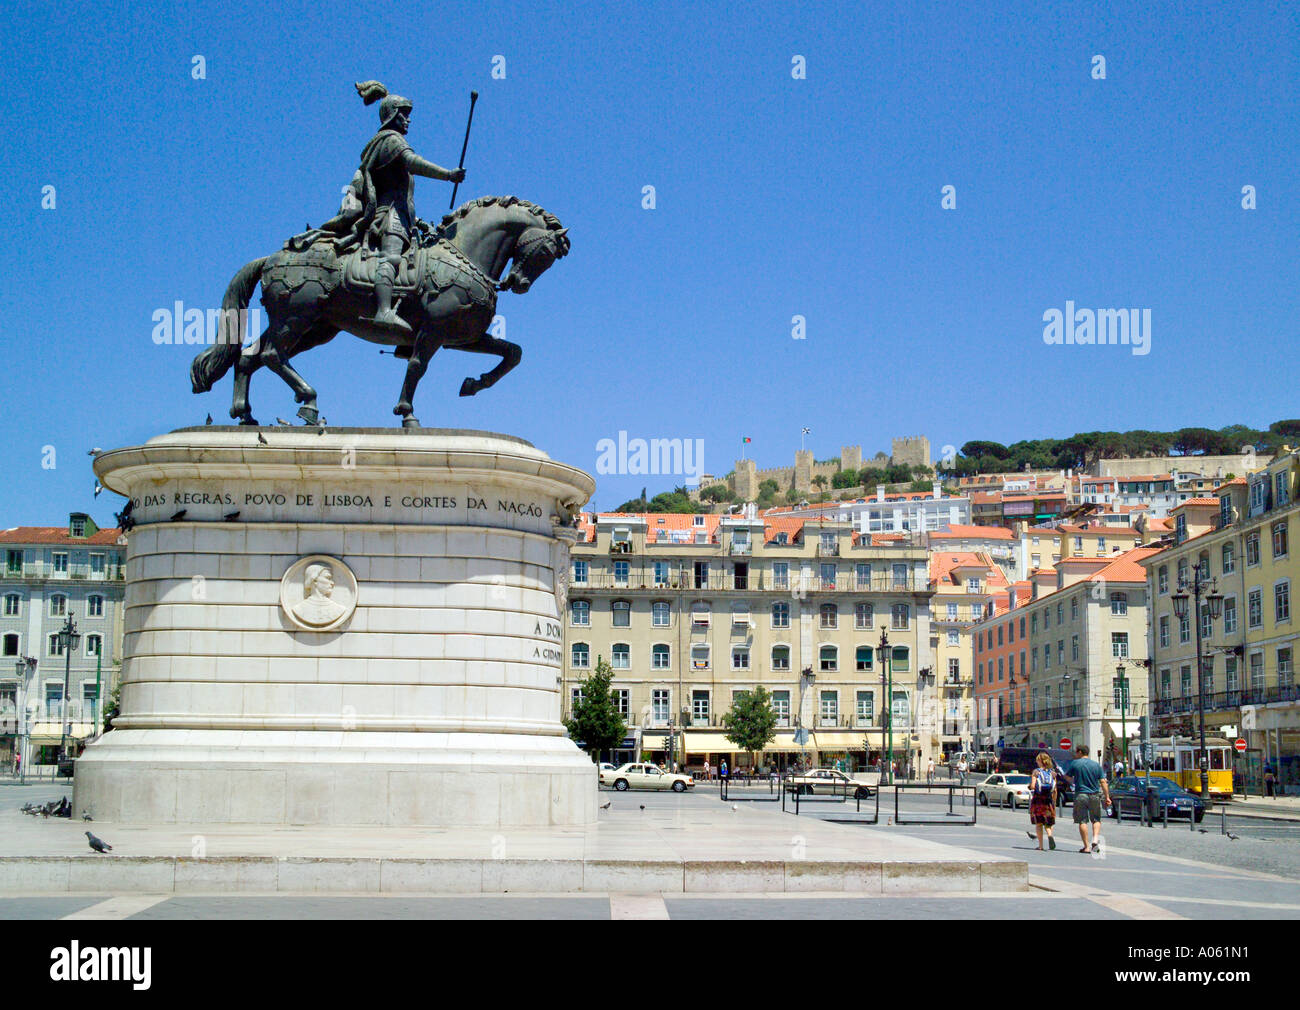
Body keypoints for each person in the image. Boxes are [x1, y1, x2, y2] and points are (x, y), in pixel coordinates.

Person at [1064, 744, 1110, 853]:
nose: (1075, 754)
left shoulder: (1075, 763)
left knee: (1082, 821)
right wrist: (1107, 796)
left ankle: (1087, 847)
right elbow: (1103, 782)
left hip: (1081, 794)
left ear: (1080, 752)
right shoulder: (1096, 765)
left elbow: (1067, 776)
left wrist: (1074, 782)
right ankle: (1095, 840)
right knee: (1096, 819)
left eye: (1076, 752)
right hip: (1094, 794)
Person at [1025, 752, 1058, 850]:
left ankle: (1041, 846)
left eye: (1037, 760)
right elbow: (1055, 789)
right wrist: (1054, 802)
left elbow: (1033, 786)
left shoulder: (1036, 772)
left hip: (1038, 800)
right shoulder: (1052, 773)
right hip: (1048, 800)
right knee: (1048, 822)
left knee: (1039, 823)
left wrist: (1029, 786)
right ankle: (1050, 835)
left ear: (1040, 761)